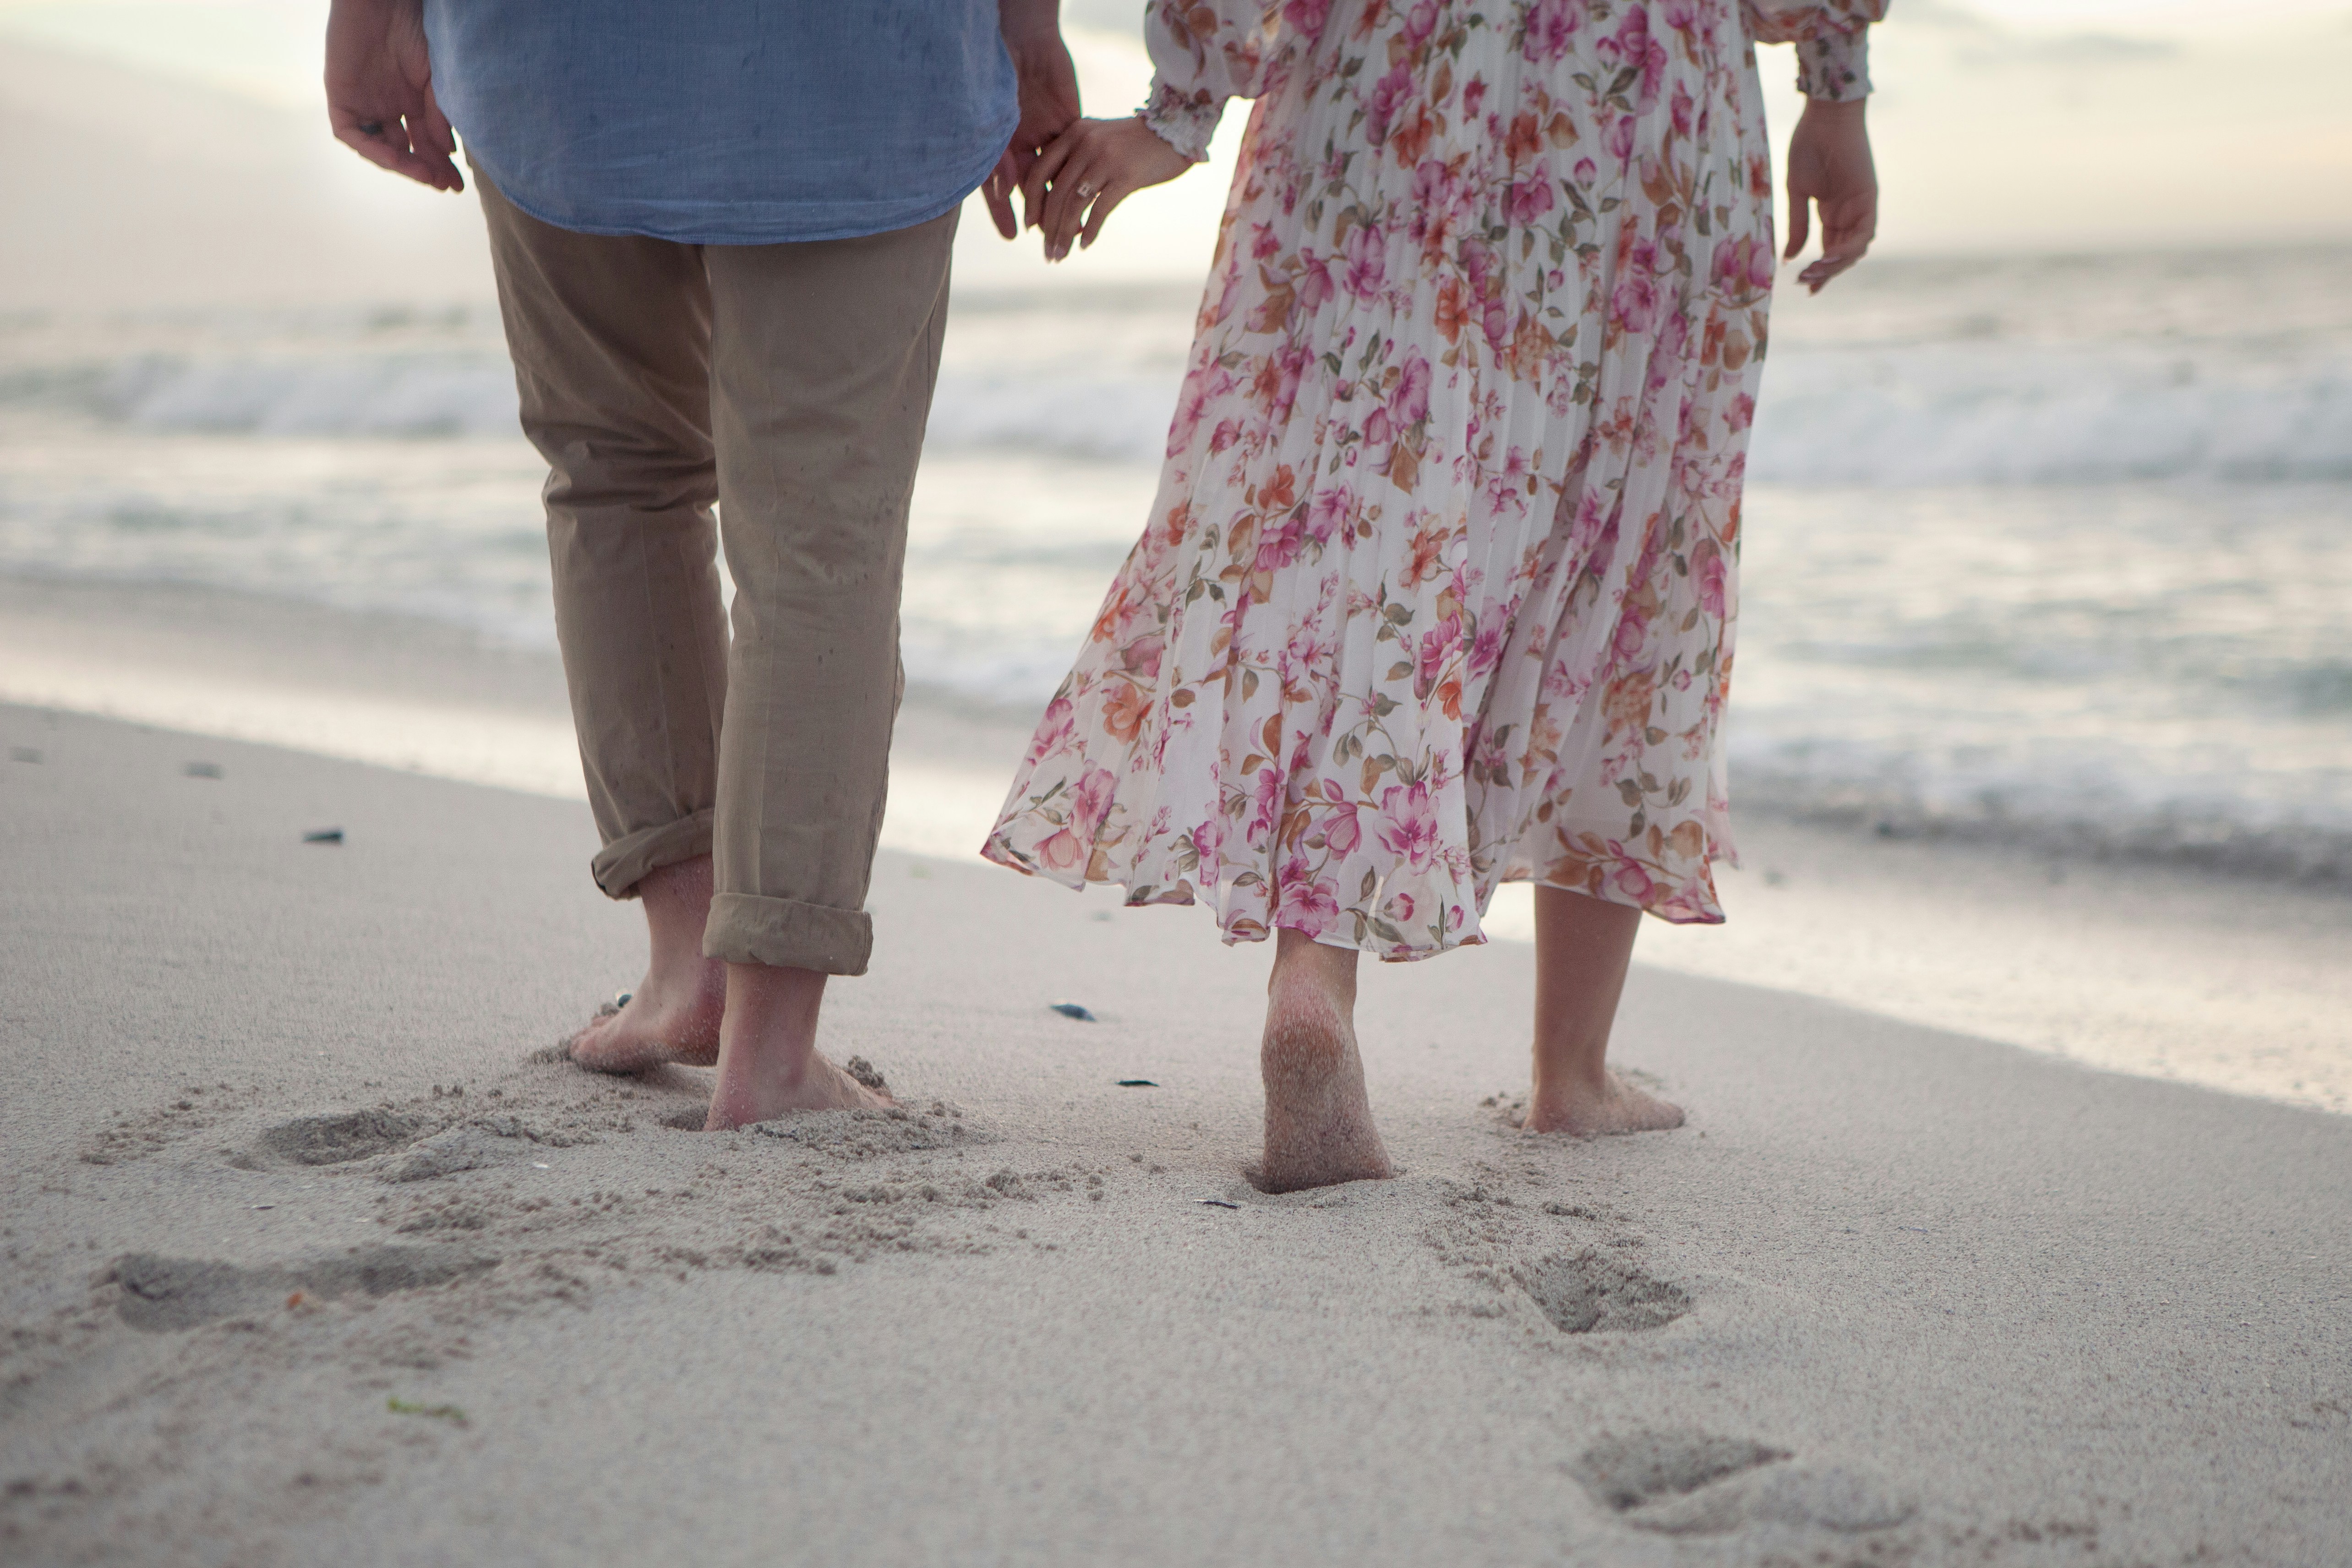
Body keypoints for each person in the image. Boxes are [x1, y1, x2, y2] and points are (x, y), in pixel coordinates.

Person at [985, 0, 1885, 1190]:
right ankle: (1573, 1075)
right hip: (1649, 91)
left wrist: (1180, 108)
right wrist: (1836, 87)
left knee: (1361, 534)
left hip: (1388, 72)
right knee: (1624, 538)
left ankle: (1315, 984)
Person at [325, 0, 1080, 1129]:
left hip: (561, 54)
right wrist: (1025, 26)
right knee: (822, 534)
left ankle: (690, 967)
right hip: (861, 67)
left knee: (618, 471)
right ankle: (768, 1047)